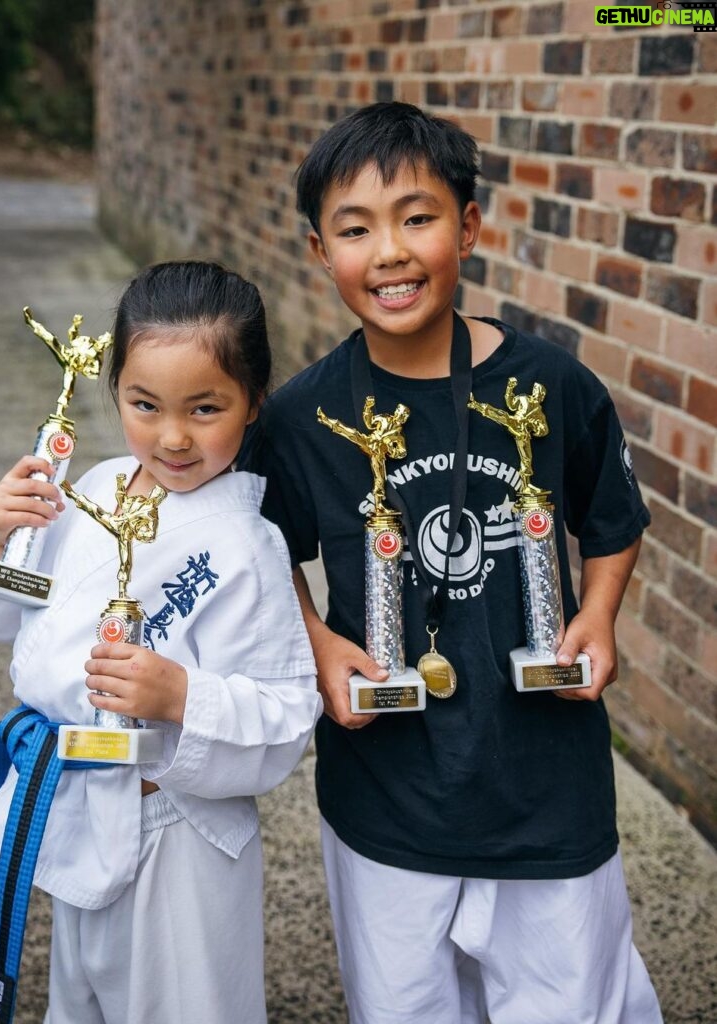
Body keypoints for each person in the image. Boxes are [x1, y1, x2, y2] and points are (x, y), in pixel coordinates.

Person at [241, 102, 663, 1024]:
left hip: (545, 785)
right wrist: (313, 642)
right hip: (386, 796)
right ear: (320, 251)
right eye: (355, 229)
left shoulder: (552, 386)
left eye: (416, 217)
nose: (387, 251)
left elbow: (612, 517)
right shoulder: (302, 417)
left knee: (567, 1001)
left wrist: (597, 615)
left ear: (468, 226)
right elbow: (257, 554)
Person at [0, 261, 322, 1024]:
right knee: (82, 1000)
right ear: (114, 390)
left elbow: (285, 713)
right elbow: (19, 617)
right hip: (73, 797)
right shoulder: (95, 489)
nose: (172, 437)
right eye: (144, 405)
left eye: (204, 408)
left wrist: (182, 696)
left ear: (251, 405)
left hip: (175, 828)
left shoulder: (248, 544)